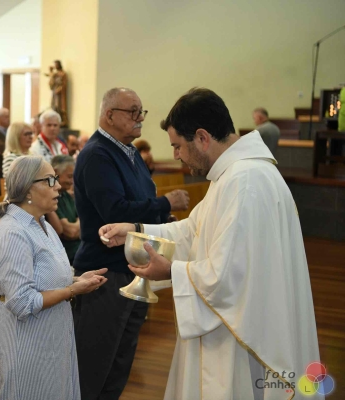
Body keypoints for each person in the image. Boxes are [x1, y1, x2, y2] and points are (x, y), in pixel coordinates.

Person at [100, 88, 322, 399]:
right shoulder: (235, 175)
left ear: (202, 138)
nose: (176, 155)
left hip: (239, 336)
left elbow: (228, 276)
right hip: (236, 323)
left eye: (178, 146)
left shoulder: (245, 181)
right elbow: (194, 231)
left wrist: (171, 271)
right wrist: (136, 231)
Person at [72, 87, 190, 400]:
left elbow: (142, 199)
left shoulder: (129, 151)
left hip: (134, 268)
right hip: (104, 273)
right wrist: (166, 203)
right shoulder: (97, 155)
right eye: (133, 111)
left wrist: (163, 220)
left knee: (120, 361)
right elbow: (115, 212)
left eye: (141, 111)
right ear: (110, 115)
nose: (140, 118)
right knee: (94, 365)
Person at [0, 155, 107, 400]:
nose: (59, 186)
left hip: (51, 332)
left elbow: (46, 277)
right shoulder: (12, 232)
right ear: (29, 188)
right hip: (26, 340)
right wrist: (73, 290)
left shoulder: (42, 224)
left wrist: (77, 280)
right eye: (50, 180)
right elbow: (22, 302)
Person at [51, 155, 80, 264]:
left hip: (79, 251)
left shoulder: (66, 196)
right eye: (69, 176)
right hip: (67, 257)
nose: (72, 181)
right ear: (55, 172)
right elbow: (69, 232)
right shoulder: (51, 199)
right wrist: (77, 227)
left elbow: (83, 224)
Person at [47, 60, 68, 127]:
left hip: (60, 94)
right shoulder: (54, 75)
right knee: (54, 107)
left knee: (60, 107)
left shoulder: (63, 74)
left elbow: (64, 84)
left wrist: (59, 89)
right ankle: (56, 120)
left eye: (56, 65)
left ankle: (62, 121)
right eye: (54, 65)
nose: (55, 66)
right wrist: (51, 73)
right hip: (55, 94)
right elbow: (51, 84)